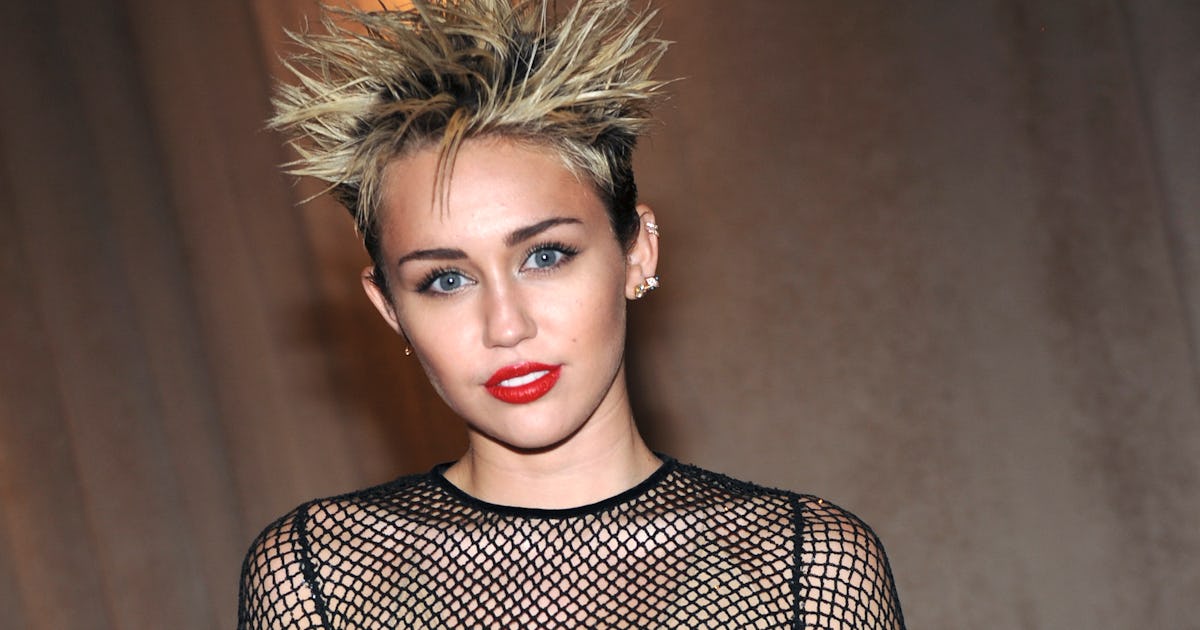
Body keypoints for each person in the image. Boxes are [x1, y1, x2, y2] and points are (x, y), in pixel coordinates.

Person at [238, 0, 906, 627]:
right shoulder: (318, 579)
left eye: (545, 256)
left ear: (636, 253)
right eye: (446, 279)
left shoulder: (807, 569)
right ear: (390, 309)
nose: (507, 326)